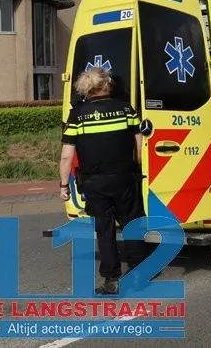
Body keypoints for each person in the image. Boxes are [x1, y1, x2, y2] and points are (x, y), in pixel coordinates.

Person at [58, 67, 147, 295]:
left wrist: (64, 185)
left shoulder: (77, 114)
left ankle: (112, 280)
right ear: (107, 85)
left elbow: (67, 154)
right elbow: (138, 146)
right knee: (132, 223)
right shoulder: (126, 109)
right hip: (125, 178)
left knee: (104, 229)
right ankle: (139, 275)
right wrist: (136, 168)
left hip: (95, 182)